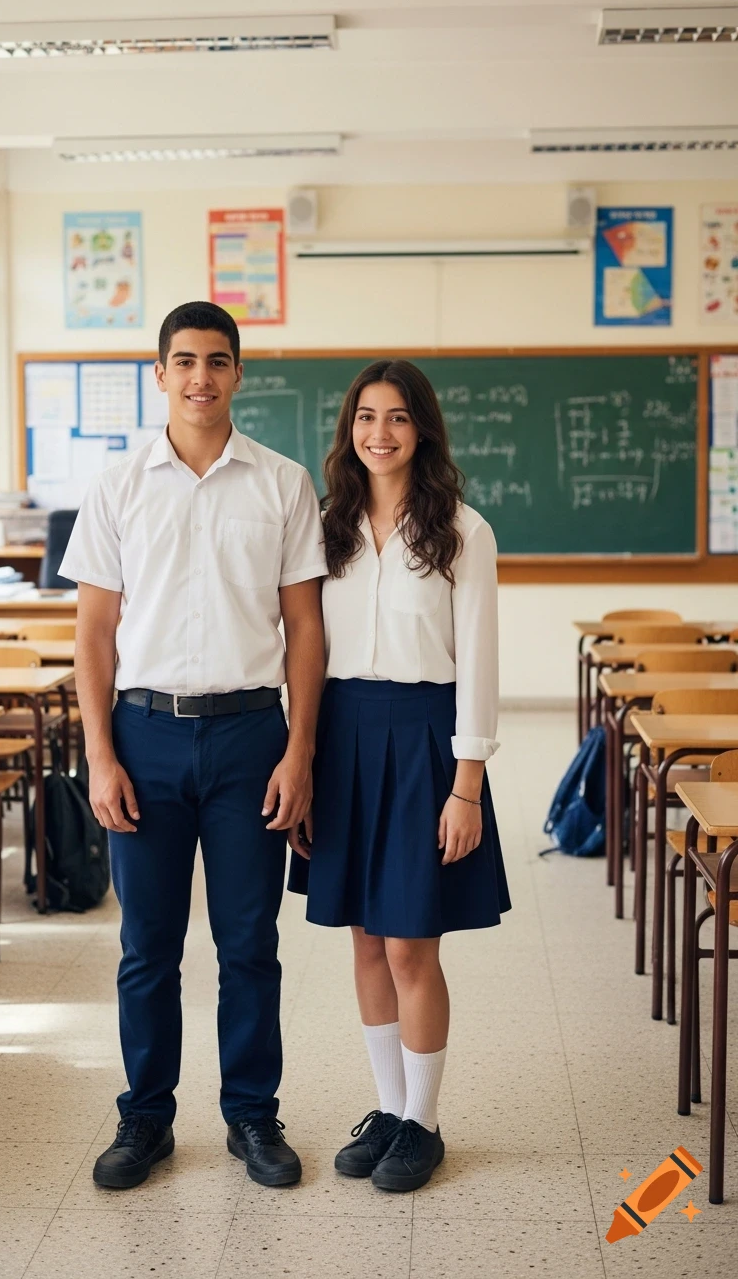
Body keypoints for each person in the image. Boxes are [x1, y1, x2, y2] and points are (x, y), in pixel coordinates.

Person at [60, 301, 326, 1191]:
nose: (201, 377)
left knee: (250, 942)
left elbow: (305, 632)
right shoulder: (119, 485)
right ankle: (146, 1120)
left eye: (218, 361)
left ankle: (253, 1117)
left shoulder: (284, 484)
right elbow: (93, 634)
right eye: (184, 361)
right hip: (143, 739)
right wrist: (100, 755)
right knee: (148, 947)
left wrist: (300, 755)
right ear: (161, 373)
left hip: (253, 737)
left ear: (239, 373)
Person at [289, 358, 510, 1192]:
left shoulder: (462, 530)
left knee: (414, 942)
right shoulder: (322, 525)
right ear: (350, 430)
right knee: (366, 939)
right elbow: (299, 651)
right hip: (340, 738)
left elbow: (480, 666)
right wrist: (301, 760)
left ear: (423, 430)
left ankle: (423, 1122)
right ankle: (386, 1108)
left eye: (398, 418)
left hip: (424, 742)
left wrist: (466, 785)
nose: (379, 433)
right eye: (366, 418)